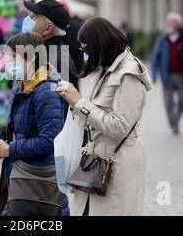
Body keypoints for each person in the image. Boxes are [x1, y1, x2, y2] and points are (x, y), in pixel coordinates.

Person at [56, 17, 152, 216]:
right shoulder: (108, 68)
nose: (85, 55)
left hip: (118, 163)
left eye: (86, 49)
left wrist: (80, 103)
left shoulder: (128, 74)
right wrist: (74, 102)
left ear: (100, 45)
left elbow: (120, 127)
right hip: (94, 161)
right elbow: (94, 114)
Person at [0, 32, 69, 216]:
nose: (8, 62)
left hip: (43, 180)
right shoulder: (20, 85)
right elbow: (16, 128)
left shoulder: (46, 91)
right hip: (23, 175)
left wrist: (10, 150)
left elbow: (49, 141)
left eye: (13, 57)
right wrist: (0, 145)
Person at [150, 13, 183, 135]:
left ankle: (175, 120)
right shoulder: (162, 39)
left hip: (181, 75)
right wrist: (154, 74)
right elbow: (155, 57)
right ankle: (174, 124)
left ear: (178, 25)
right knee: (168, 103)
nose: (167, 25)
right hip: (167, 75)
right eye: (167, 22)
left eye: (170, 22)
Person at [21, 0, 79, 90]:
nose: (28, 18)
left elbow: (52, 102)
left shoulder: (56, 61)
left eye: (34, 16)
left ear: (47, 29)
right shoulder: (45, 52)